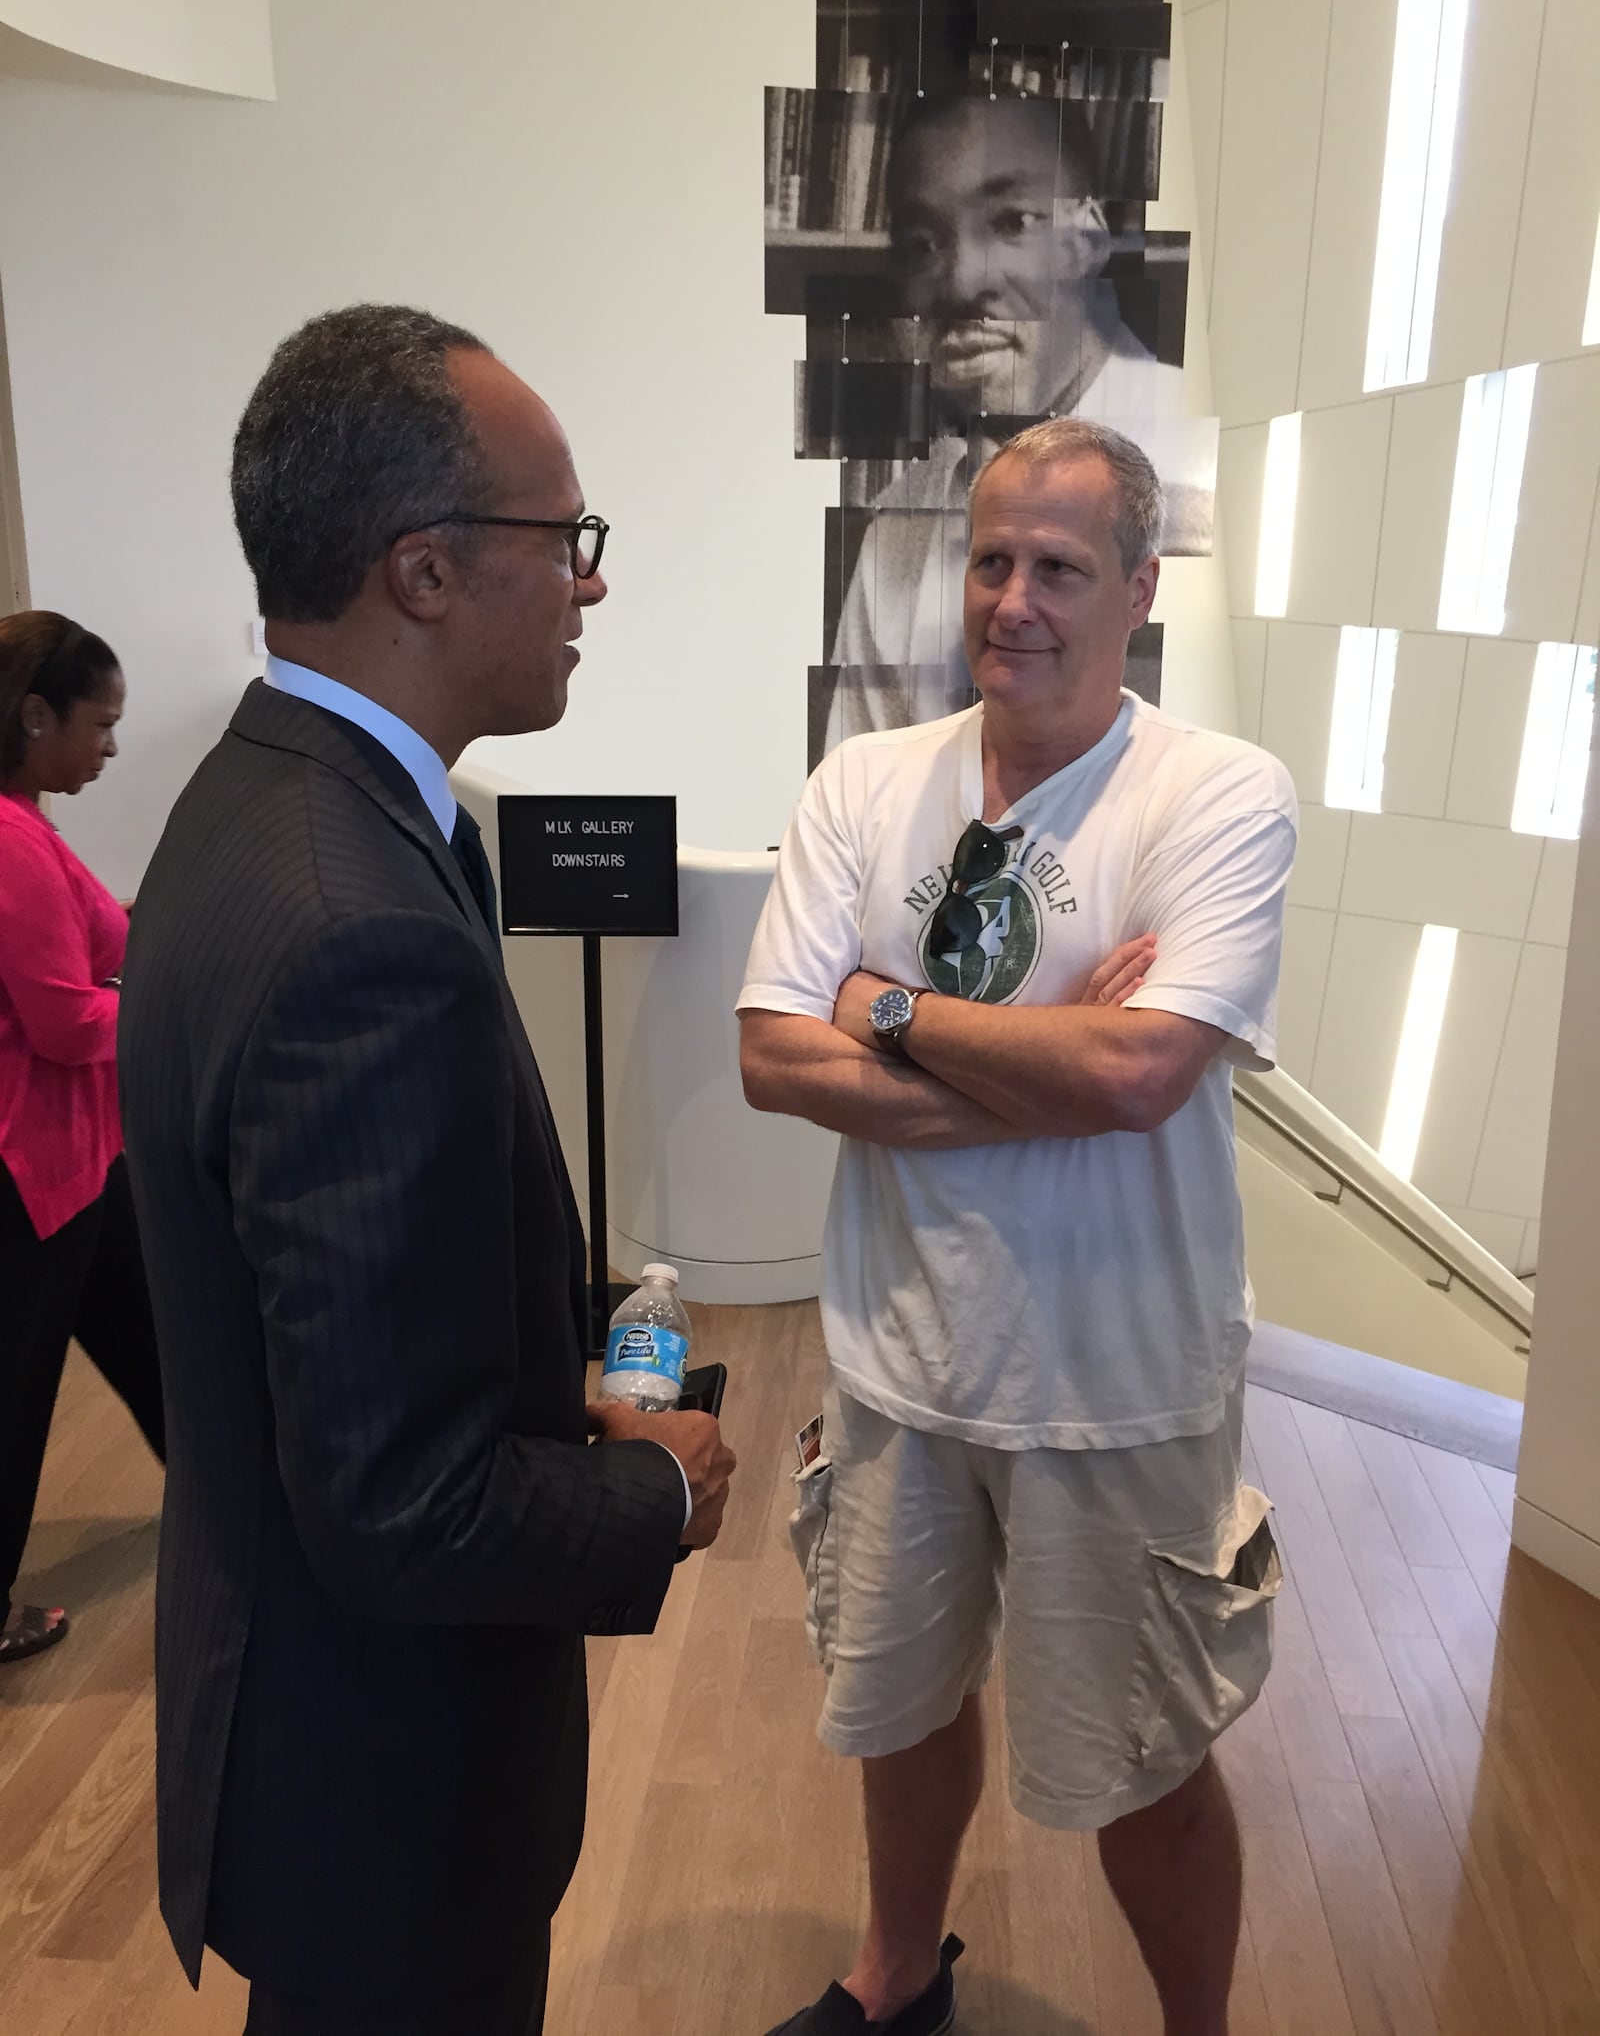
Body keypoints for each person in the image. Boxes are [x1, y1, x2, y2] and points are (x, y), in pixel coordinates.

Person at [117, 304, 736, 2036]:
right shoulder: (349, 918)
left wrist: (573, 1348)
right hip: (381, 1772)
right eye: (568, 541)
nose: (590, 583)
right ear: (426, 572)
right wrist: (664, 1488)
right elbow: (403, 1498)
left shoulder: (278, 801)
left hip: (314, 1733)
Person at [740, 418, 1294, 2036]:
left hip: (1118, 1383)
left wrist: (889, 1004)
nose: (1014, 598)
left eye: (1059, 565)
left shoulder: (1215, 794)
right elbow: (777, 1056)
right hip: (903, 1360)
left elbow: (1136, 1071)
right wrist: (1054, 1045)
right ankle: (897, 1971)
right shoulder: (865, 783)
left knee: (1145, 1755)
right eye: (991, 557)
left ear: (1139, 586)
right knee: (897, 1702)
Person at [823, 95, 1215, 751]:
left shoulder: (1195, 473)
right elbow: (854, 788)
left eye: (1011, 221)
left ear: (1086, 240)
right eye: (923, 243)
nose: (961, 280)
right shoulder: (902, 524)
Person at [0, 610, 165, 1664]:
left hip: (83, 1162)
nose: (110, 745)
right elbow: (65, 1020)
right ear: (33, 715)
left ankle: (243, 1502)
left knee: (161, 1336)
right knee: (15, 1398)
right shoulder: (9, 841)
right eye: (99, 725)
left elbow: (105, 935)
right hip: (27, 1171)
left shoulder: (29, 820)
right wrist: (172, 1004)